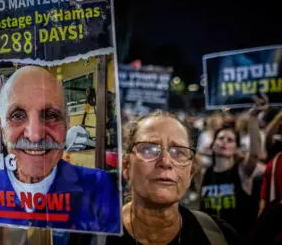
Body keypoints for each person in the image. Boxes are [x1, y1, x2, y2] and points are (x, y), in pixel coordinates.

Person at [0, 66, 120, 233]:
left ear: (66, 123)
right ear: (2, 126)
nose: (35, 135)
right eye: (17, 115)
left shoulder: (99, 187)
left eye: (51, 115)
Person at [68, 110, 239, 244]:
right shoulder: (89, 237)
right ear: (126, 166)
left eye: (178, 152)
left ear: (190, 174)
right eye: (149, 149)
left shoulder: (220, 237)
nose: (165, 161)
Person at [199, 98, 266, 237]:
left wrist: (253, 117)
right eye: (221, 138)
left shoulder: (242, 171)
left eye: (230, 140)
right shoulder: (206, 174)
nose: (224, 142)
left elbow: (254, 154)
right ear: (212, 144)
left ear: (236, 149)